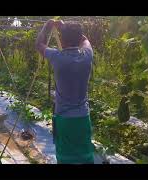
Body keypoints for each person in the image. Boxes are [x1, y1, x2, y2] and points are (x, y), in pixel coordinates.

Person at [35, 19, 94, 164]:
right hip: (83, 117)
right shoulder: (87, 55)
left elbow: (38, 45)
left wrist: (47, 26)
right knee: (85, 155)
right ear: (79, 38)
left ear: (62, 39)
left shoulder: (57, 57)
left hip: (64, 118)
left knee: (65, 157)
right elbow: (85, 40)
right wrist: (64, 27)